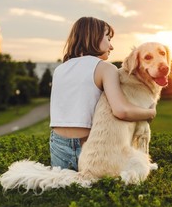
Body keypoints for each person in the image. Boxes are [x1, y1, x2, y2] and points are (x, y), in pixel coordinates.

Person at [49, 16, 156, 171]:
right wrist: (150, 112)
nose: (111, 46)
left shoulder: (60, 69)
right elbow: (121, 110)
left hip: (57, 146)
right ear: (93, 37)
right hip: (89, 147)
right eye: (108, 38)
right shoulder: (105, 68)